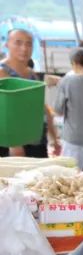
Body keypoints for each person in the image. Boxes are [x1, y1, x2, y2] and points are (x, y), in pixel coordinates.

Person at [0, 28, 58, 158]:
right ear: (7, 44)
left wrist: (54, 137)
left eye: (29, 44)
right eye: (18, 42)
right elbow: (5, 113)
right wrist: (15, 145)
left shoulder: (31, 73)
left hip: (36, 140)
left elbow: (41, 106)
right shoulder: (2, 73)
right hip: (12, 144)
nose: (24, 48)